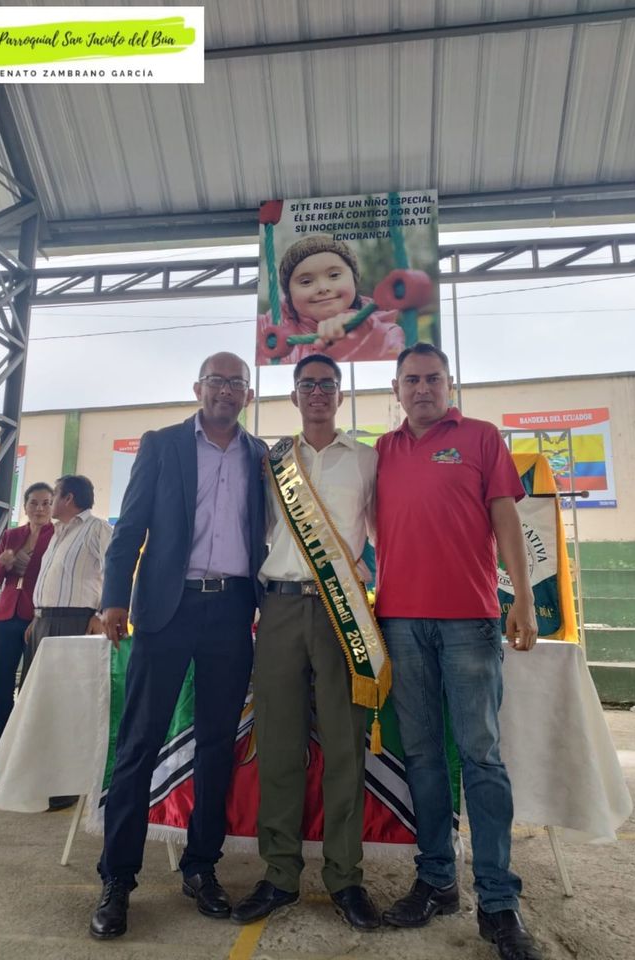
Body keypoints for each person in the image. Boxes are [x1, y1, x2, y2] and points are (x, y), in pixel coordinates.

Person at [374, 342, 543, 960]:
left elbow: (505, 521)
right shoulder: (382, 450)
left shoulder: (480, 438)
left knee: (481, 758)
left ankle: (498, 902)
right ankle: (437, 880)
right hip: (399, 622)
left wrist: (521, 597)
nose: (422, 389)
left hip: (471, 620)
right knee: (422, 756)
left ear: (449, 385)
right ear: (396, 389)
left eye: (433, 379)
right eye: (411, 380)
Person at [90, 352, 267, 941]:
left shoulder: (262, 457)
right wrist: (114, 599)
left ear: (247, 395)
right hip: (166, 610)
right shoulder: (162, 445)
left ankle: (201, 867)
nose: (225, 390)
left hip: (232, 612)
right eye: (216, 381)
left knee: (217, 746)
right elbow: (129, 528)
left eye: (236, 383)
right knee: (138, 744)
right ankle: (118, 879)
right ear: (198, 387)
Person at [232, 354, 384, 932]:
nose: (317, 392)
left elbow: (387, 537)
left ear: (339, 395)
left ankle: (345, 877)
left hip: (341, 614)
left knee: (344, 747)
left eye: (327, 384)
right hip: (278, 609)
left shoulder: (368, 460)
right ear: (294, 396)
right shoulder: (270, 462)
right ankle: (279, 873)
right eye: (306, 385)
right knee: (278, 743)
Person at [0, 482, 54, 789]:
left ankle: (30, 766)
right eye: (34, 502)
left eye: (46, 502)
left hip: (36, 619)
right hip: (6, 617)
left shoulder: (58, 536)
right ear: (25, 506)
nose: (40, 508)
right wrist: (3, 563)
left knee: (31, 692)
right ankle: (2, 765)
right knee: (0, 689)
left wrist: (40, 615)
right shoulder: (11, 536)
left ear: (53, 506)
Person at [257, 235, 404, 364]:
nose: (323, 288)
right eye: (306, 282)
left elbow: (394, 359)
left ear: (354, 279)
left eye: (334, 275)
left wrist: (362, 339)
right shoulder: (268, 328)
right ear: (289, 293)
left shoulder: (384, 331)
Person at [24, 474, 111, 677]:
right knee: (38, 690)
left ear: (68, 498)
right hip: (43, 622)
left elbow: (114, 572)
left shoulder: (98, 528)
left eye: (54, 495)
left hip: (75, 623)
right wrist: (38, 618)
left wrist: (101, 615)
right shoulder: (57, 533)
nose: (50, 502)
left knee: (66, 688)